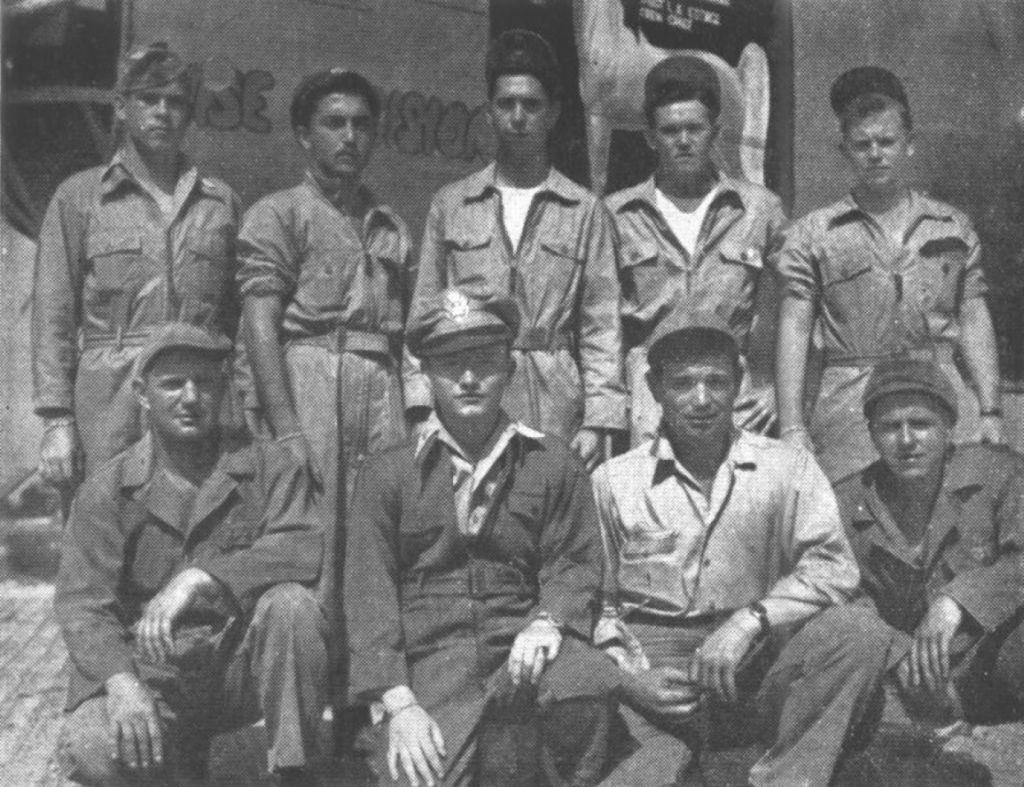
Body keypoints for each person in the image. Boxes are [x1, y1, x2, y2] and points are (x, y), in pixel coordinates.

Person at [592, 312, 893, 786]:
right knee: (653, 770)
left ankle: (785, 777)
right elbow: (597, 604)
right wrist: (630, 680)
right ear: (653, 388)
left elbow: (833, 567)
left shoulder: (787, 468)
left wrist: (749, 620)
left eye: (716, 382)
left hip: (753, 662)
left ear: (739, 383)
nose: (701, 400)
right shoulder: (615, 481)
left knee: (860, 631)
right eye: (682, 384)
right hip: (658, 679)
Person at [345, 288, 619, 787]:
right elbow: (370, 598)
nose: (468, 379)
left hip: (522, 643)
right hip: (434, 660)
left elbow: (577, 563)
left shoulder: (551, 461)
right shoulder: (387, 474)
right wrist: (399, 703)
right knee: (418, 775)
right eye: (451, 364)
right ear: (426, 373)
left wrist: (548, 622)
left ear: (509, 370)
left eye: (484, 362)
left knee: (584, 686)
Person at [53, 324, 328, 786]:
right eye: (172, 384)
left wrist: (203, 576)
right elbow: (83, 606)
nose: (190, 397)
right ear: (142, 395)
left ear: (223, 388)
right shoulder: (107, 490)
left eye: (204, 382)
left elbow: (301, 544)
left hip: (236, 667)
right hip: (154, 673)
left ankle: (292, 771)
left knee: (292, 606)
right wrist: (122, 682)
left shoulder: (269, 467)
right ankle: (177, 765)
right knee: (92, 745)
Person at [236, 68, 417, 746]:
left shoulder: (389, 224)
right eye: (334, 123)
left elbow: (404, 330)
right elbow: (260, 326)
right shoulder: (277, 214)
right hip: (310, 378)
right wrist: (287, 429)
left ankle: (361, 714)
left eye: (362, 124)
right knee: (314, 552)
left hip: (378, 383)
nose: (349, 136)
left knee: (373, 547)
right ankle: (297, 733)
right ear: (303, 135)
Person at [408, 29, 627, 471]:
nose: (518, 117)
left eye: (532, 104)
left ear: (554, 113)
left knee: (547, 503)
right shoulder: (452, 204)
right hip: (470, 388)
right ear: (490, 112)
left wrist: (599, 420)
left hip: (556, 396)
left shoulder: (584, 210)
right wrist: (420, 404)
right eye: (506, 104)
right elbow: (425, 315)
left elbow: (601, 325)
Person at [775, 66, 1003, 481]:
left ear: (909, 144)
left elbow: (973, 318)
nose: (875, 153)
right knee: (854, 508)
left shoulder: (951, 227)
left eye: (887, 142)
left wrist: (989, 410)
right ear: (844, 150)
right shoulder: (813, 234)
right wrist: (792, 426)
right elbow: (795, 327)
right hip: (852, 403)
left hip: (939, 392)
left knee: (954, 504)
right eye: (862, 145)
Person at [33, 42, 242, 483]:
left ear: (189, 114)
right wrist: (56, 421)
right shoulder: (80, 198)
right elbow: (53, 315)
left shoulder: (219, 203)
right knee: (105, 514)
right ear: (121, 106)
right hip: (111, 397)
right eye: (148, 99)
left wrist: (242, 404)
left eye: (175, 102)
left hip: (195, 394)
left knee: (197, 513)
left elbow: (237, 318)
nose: (162, 112)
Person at [835, 358, 1024, 727]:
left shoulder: (998, 472)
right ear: (872, 434)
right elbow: (841, 592)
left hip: (982, 653)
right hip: (905, 670)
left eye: (921, 424)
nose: (907, 441)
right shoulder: (846, 502)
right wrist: (894, 650)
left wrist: (957, 601)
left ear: (949, 426)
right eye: (891, 427)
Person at [607, 55, 786, 445]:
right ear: (650, 137)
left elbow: (789, 306)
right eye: (670, 131)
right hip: (649, 390)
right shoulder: (618, 215)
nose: (684, 141)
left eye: (695, 128)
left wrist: (773, 385)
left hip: (732, 386)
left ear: (715, 132)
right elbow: (600, 323)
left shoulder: (759, 210)